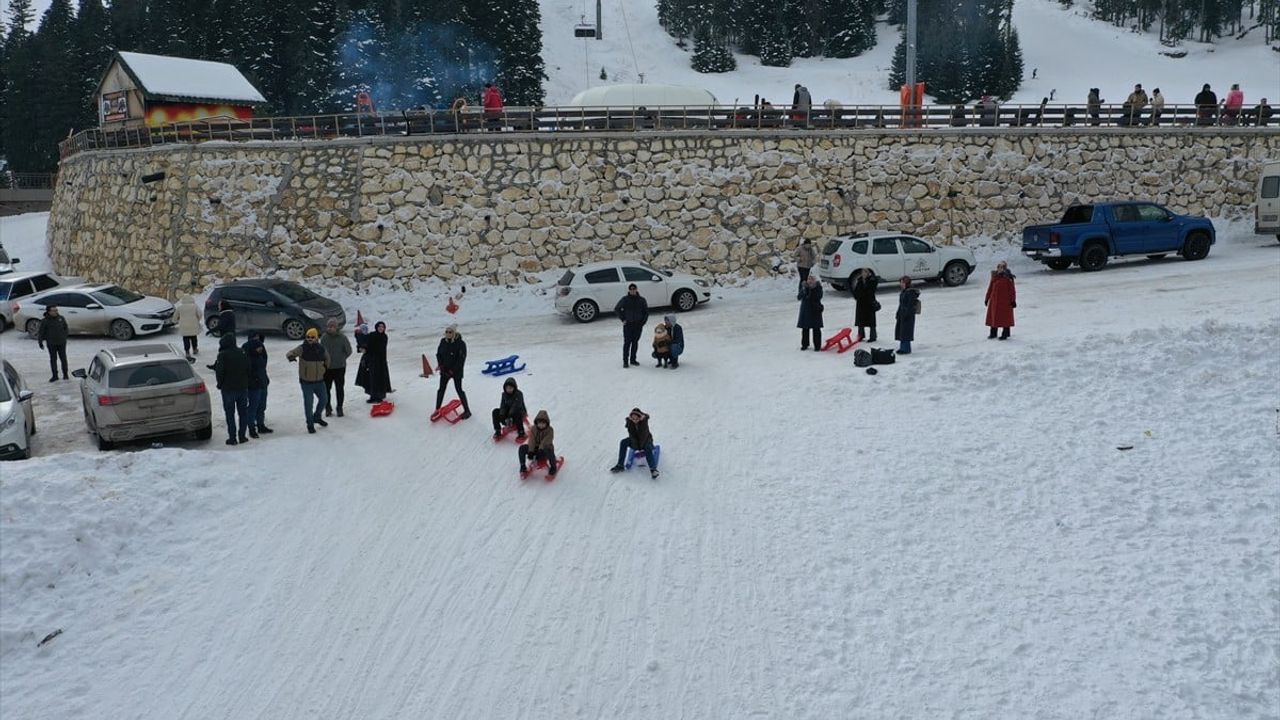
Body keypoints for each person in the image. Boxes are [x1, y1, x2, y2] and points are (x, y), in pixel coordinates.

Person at [286, 328, 330, 434]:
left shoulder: (321, 348)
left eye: (312, 337)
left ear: (316, 338)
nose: (310, 339)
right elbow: (290, 353)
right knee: (308, 404)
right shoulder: (302, 348)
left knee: (324, 399)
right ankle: (310, 424)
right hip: (306, 383)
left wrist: (324, 368)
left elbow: (328, 359)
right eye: (308, 337)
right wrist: (291, 356)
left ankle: (317, 417)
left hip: (319, 381)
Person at [211, 333, 251, 445]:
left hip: (228, 389)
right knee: (243, 413)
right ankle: (242, 436)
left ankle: (232, 438)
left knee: (230, 414)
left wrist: (220, 384)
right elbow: (249, 368)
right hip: (242, 388)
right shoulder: (242, 352)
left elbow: (220, 372)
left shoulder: (222, 355)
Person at [611, 408, 659, 479]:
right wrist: (629, 422)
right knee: (623, 442)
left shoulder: (644, 423)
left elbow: (643, 437)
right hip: (635, 442)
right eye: (633, 419)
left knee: (647, 447)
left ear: (640, 417)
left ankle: (653, 470)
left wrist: (639, 448)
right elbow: (632, 435)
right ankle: (620, 465)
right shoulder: (630, 423)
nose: (635, 420)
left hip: (646, 441)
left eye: (636, 418)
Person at [435, 324, 470, 418]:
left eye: (450, 332)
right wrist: (441, 366)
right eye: (446, 332)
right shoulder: (443, 341)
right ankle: (437, 409)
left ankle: (467, 411)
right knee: (441, 390)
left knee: (459, 390)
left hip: (456, 371)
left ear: (454, 333)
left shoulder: (461, 343)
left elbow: (461, 360)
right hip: (444, 370)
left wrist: (452, 371)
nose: (447, 334)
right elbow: (438, 354)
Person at [241, 331, 272, 435]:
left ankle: (260, 425)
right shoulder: (247, 354)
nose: (261, 348)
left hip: (262, 382)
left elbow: (264, 363)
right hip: (254, 385)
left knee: (262, 406)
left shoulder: (260, 352)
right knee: (253, 407)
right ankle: (251, 428)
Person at [320, 318, 352, 417]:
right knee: (326, 389)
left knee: (339, 388)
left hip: (339, 368)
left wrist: (341, 359)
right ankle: (328, 408)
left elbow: (349, 351)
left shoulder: (342, 338)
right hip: (327, 368)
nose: (330, 328)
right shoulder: (324, 338)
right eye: (329, 326)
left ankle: (339, 407)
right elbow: (320, 351)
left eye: (332, 326)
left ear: (336, 327)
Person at [615, 283, 649, 368]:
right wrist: (623, 319)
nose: (632, 291)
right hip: (628, 325)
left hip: (638, 325)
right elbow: (617, 308)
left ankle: (633, 359)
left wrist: (642, 322)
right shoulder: (625, 299)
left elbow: (646, 312)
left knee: (635, 343)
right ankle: (625, 361)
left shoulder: (642, 300)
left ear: (636, 289)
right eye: (631, 289)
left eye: (634, 289)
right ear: (629, 290)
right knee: (627, 343)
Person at [357, 321, 391, 403]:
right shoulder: (371, 335)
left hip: (381, 361)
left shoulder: (384, 337)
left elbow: (378, 348)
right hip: (371, 361)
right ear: (376, 327)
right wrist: (361, 347)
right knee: (371, 379)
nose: (381, 328)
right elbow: (364, 342)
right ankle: (372, 396)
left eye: (382, 327)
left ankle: (379, 396)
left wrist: (367, 349)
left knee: (380, 379)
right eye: (379, 326)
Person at [984, 261, 1017, 340]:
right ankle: (993, 333)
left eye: (1002, 267)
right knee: (993, 317)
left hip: (1005, 302)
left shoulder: (1008, 278)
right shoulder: (994, 277)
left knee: (1005, 318)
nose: (999, 269)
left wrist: (1013, 300)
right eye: (998, 267)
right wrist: (987, 298)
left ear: (1005, 268)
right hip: (994, 302)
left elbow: (1012, 290)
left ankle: (1005, 333)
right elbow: (990, 288)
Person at [519, 410, 557, 477]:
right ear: (537, 422)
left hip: (545, 449)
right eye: (540, 423)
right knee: (522, 448)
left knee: (549, 450)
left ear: (546, 423)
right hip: (535, 449)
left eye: (543, 423)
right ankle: (523, 466)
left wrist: (540, 449)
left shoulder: (550, 430)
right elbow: (532, 440)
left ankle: (553, 467)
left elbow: (546, 441)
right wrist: (531, 451)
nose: (541, 425)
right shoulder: (534, 428)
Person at [36, 305, 69, 382]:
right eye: (54, 311)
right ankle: (55, 375)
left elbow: (66, 327)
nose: (56, 312)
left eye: (56, 310)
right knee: (53, 359)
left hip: (61, 342)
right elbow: (41, 332)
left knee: (63, 358)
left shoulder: (61, 318)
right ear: (49, 312)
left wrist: (64, 336)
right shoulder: (45, 321)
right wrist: (40, 342)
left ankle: (65, 374)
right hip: (51, 343)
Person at [851, 267, 879, 342]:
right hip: (860, 303)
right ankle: (861, 335)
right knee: (860, 321)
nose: (863, 274)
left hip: (869, 302)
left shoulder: (872, 281)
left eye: (865, 273)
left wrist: (862, 294)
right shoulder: (860, 281)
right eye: (862, 273)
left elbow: (871, 290)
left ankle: (873, 336)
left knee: (871, 321)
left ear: (868, 273)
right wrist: (856, 296)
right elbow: (855, 291)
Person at [797, 274, 824, 351]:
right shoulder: (804, 287)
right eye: (809, 279)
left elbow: (818, 296)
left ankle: (817, 346)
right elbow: (799, 297)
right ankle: (805, 344)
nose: (810, 281)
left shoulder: (818, 287)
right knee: (805, 329)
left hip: (815, 311)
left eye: (812, 279)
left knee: (816, 329)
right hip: (806, 311)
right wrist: (804, 289)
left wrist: (812, 289)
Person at [895, 276, 920, 355]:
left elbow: (910, 305)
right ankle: (903, 347)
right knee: (902, 332)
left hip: (907, 315)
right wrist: (898, 313)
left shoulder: (910, 292)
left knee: (906, 332)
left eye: (902, 283)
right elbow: (901, 304)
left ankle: (906, 349)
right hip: (902, 314)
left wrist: (906, 314)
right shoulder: (904, 291)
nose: (901, 284)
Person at [175, 286, 202, 356]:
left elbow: (175, 316)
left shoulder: (180, 307)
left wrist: (176, 321)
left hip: (184, 326)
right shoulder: (195, 306)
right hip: (193, 325)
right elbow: (200, 314)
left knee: (185, 339)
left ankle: (187, 352)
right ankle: (195, 349)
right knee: (194, 338)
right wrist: (197, 319)